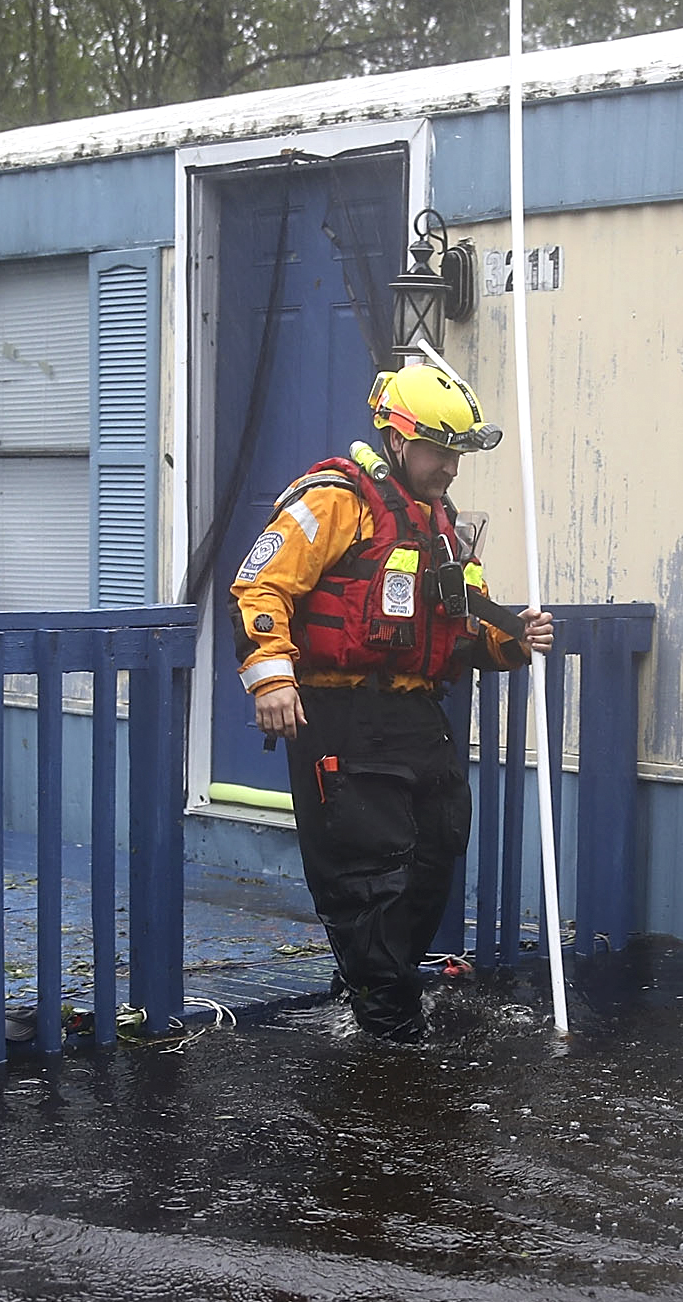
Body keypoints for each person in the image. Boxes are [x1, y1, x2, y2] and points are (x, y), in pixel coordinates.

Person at [232, 364, 554, 1040]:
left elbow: (462, 633)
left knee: (433, 862)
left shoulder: (442, 525)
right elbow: (260, 588)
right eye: (441, 451)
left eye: (459, 453)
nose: (452, 469)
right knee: (367, 883)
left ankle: (368, 997)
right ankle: (390, 1044)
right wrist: (271, 676)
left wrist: (514, 640)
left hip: (416, 720)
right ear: (399, 441)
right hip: (339, 722)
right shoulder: (331, 501)